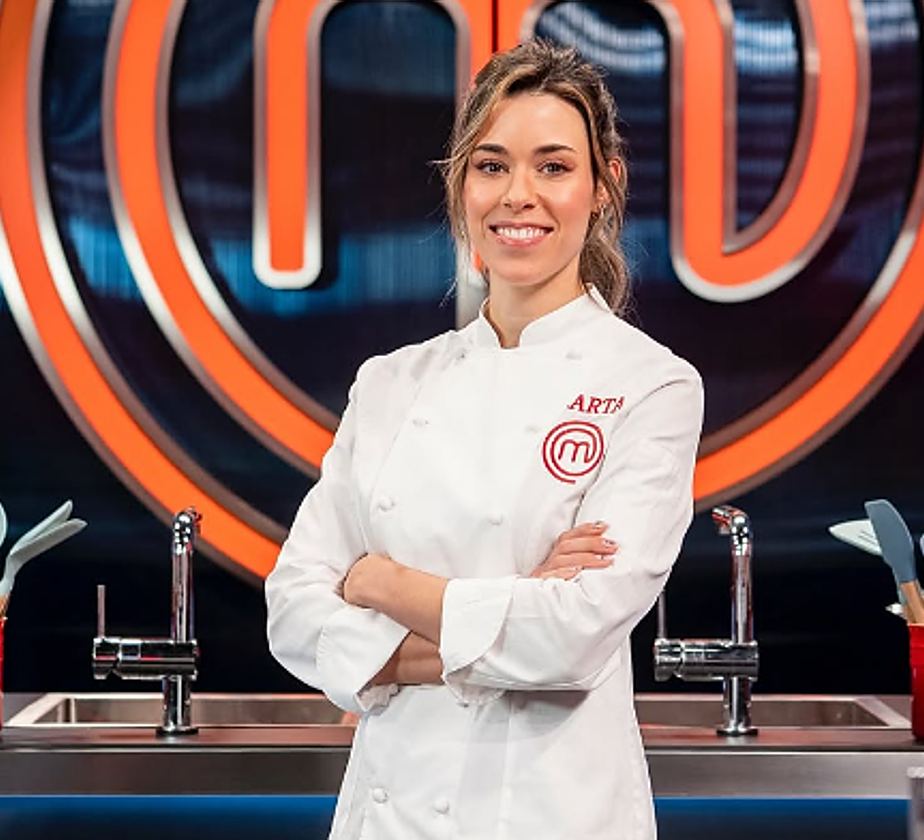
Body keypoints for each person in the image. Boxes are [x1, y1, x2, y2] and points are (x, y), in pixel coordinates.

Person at [266, 38, 703, 840]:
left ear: (604, 185)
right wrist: (514, 602)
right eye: (491, 165)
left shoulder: (652, 385)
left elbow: (571, 637)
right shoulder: (389, 383)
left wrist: (380, 582)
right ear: (460, 186)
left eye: (553, 166)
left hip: (551, 815)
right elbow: (293, 613)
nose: (517, 195)